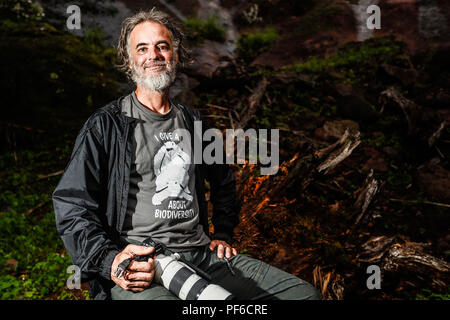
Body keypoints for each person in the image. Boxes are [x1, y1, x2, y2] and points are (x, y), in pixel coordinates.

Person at [53, 8, 321, 300]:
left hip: (202, 256)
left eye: (162, 46)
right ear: (129, 62)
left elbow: (223, 181)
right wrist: (110, 260)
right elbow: (72, 204)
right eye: (142, 48)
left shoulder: (196, 124)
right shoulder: (107, 125)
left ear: (175, 55)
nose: (153, 55)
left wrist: (223, 233)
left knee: (304, 295)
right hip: (143, 264)